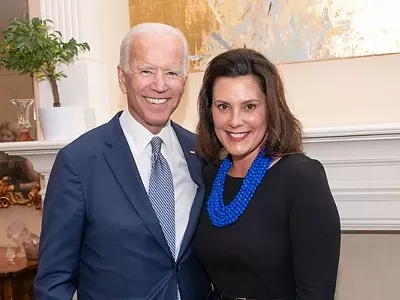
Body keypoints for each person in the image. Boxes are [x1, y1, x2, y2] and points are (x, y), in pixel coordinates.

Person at [34, 23, 210, 300]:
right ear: (122, 77)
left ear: (185, 81)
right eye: (146, 71)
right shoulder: (78, 162)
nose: (160, 84)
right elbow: (54, 280)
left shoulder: (204, 153)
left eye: (172, 72)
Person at [194, 48, 341, 300]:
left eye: (249, 106)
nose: (235, 120)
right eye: (223, 106)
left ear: (270, 109)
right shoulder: (208, 176)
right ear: (210, 112)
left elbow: (316, 293)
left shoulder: (302, 178)